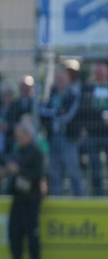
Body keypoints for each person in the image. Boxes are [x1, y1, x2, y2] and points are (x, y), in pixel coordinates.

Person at [5, 119, 46, 259]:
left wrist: (19, 171)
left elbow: (39, 174)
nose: (18, 138)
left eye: (20, 135)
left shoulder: (36, 153)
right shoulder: (19, 151)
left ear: (28, 135)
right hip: (18, 197)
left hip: (32, 198)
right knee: (14, 232)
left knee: (32, 232)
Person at [40, 60, 83, 196]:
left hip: (68, 138)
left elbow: (67, 116)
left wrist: (52, 114)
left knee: (73, 170)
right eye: (57, 78)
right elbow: (42, 111)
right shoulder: (52, 94)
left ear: (69, 80)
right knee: (54, 171)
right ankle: (56, 199)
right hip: (53, 138)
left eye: (62, 78)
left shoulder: (73, 95)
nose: (59, 81)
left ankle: (80, 199)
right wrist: (56, 113)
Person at [80, 61, 108, 196]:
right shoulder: (88, 89)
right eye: (98, 73)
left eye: (102, 73)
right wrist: (84, 127)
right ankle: (99, 194)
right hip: (92, 134)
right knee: (95, 168)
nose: (100, 75)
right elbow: (84, 110)